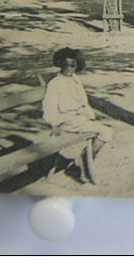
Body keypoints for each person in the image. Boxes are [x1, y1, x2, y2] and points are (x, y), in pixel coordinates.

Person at [43, 47, 112, 182]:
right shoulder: (55, 83)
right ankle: (84, 161)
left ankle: (83, 159)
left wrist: (89, 115)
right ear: (60, 65)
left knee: (104, 132)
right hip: (66, 120)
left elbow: (83, 102)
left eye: (73, 65)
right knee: (106, 132)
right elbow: (49, 106)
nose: (70, 69)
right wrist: (54, 124)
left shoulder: (75, 80)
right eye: (66, 65)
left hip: (79, 119)